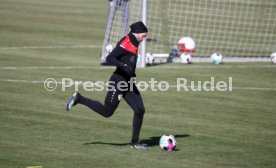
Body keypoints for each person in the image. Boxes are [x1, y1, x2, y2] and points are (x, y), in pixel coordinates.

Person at [66, 21, 149, 151]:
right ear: (137, 33)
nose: (144, 38)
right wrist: (123, 66)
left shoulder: (135, 41)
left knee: (140, 110)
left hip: (128, 82)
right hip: (118, 82)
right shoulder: (126, 42)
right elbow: (110, 58)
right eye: (143, 36)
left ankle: (134, 142)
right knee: (107, 112)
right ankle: (79, 98)